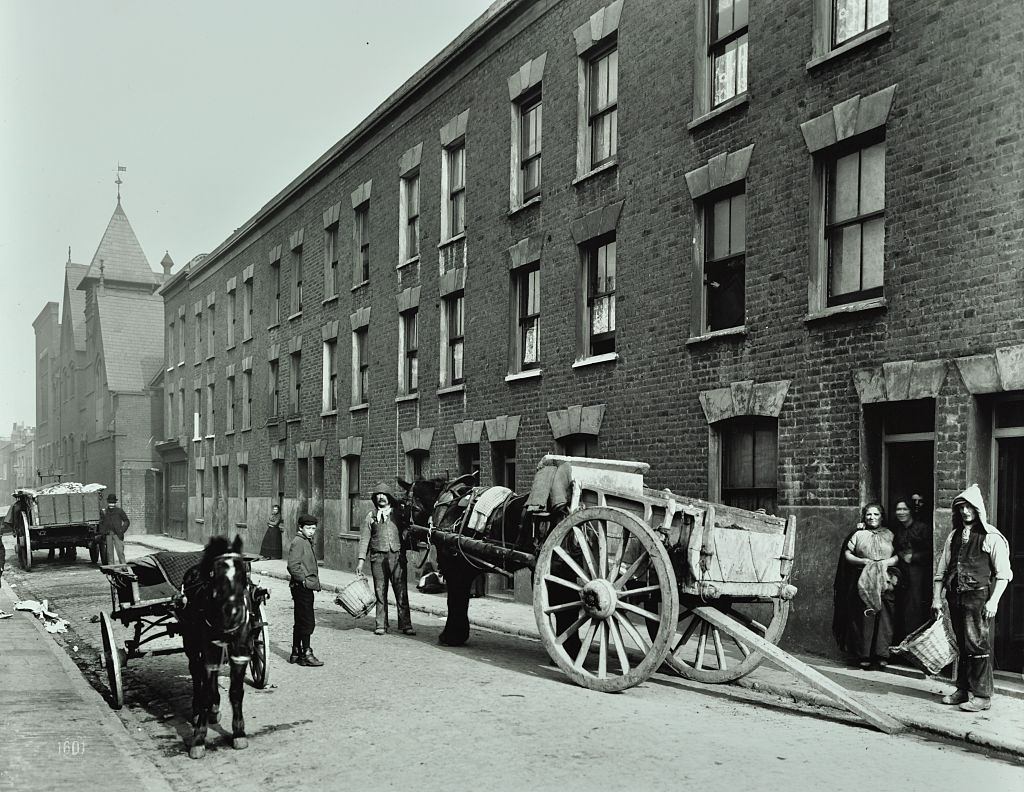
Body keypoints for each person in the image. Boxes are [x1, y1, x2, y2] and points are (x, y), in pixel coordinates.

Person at [932, 484, 1012, 712]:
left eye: (970, 507)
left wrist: (993, 601)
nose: (965, 511)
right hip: (955, 597)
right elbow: (941, 570)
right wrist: (937, 598)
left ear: (979, 510)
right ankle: (963, 690)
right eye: (962, 507)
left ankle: (982, 695)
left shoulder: (991, 537)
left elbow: (1003, 574)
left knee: (977, 645)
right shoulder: (954, 536)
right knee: (962, 644)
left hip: (978, 598)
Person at [833, 503, 899, 669]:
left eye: (876, 514)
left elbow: (899, 554)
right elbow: (847, 554)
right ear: (864, 516)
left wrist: (886, 562)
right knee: (864, 617)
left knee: (884, 616)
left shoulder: (890, 534)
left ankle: (882, 654)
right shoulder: (858, 534)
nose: (872, 518)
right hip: (863, 579)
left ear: (882, 516)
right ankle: (864, 655)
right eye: (869, 514)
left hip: (885, 579)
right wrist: (862, 561)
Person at [356, 483, 415, 636]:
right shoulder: (371, 516)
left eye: (384, 495)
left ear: (389, 497)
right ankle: (381, 624)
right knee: (380, 591)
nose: (381, 497)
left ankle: (406, 624)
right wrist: (361, 561)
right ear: (375, 498)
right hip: (378, 558)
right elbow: (364, 540)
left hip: (397, 557)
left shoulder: (398, 514)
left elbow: (410, 525)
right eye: (378, 495)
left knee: (401, 591)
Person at [891, 497, 933, 642]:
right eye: (898, 509)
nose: (901, 512)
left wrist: (914, 557)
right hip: (901, 572)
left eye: (904, 509)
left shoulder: (922, 528)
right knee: (900, 607)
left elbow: (931, 552)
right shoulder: (897, 529)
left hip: (918, 573)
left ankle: (913, 644)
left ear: (910, 511)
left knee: (914, 607)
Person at [287, 514, 324, 667]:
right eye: (308, 528)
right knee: (308, 621)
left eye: (313, 528)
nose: (311, 531)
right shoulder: (299, 542)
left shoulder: (305, 541)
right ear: (300, 528)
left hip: (303, 586)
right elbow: (292, 566)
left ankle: (296, 652)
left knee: (300, 619)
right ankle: (306, 654)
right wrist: (303, 580)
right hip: (302, 587)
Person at [99, 494, 129, 564]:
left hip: (118, 534)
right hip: (108, 535)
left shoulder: (119, 511)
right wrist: (103, 532)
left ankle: (123, 566)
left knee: (120, 552)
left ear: (115, 503)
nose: (111, 504)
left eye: (112, 502)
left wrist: (122, 530)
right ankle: (111, 567)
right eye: (110, 502)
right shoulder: (104, 512)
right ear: (108, 503)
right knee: (109, 553)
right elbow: (101, 523)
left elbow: (126, 521)